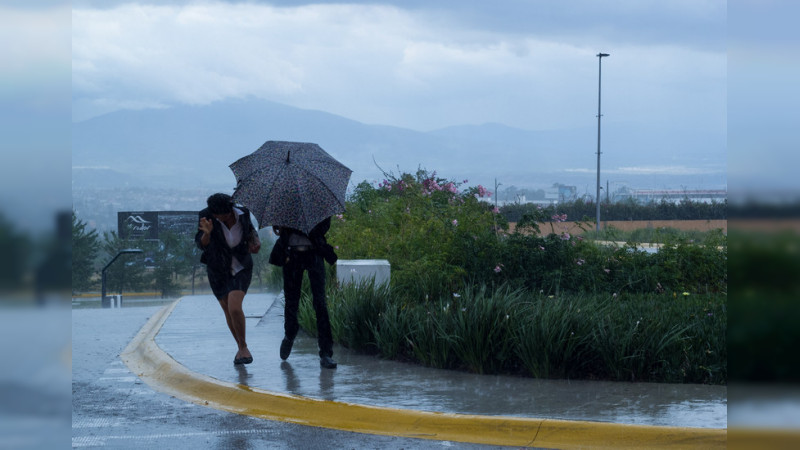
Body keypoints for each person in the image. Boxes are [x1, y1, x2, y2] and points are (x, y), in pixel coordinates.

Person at [195, 193, 261, 365]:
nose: (217, 218)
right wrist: (207, 233)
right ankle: (241, 348)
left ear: (229, 211)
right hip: (217, 269)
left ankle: (244, 347)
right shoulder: (206, 216)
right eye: (215, 215)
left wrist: (255, 242)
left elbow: (251, 231)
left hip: (241, 265)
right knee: (227, 310)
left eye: (221, 216)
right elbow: (201, 244)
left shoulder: (243, 213)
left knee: (235, 307)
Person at [269, 217, 338, 369]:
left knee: (320, 303)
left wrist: (304, 225)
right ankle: (289, 335)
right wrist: (280, 225)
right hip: (291, 256)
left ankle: (326, 352)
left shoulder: (317, 203)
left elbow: (324, 227)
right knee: (291, 302)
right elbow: (280, 230)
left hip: (314, 254)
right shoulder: (286, 206)